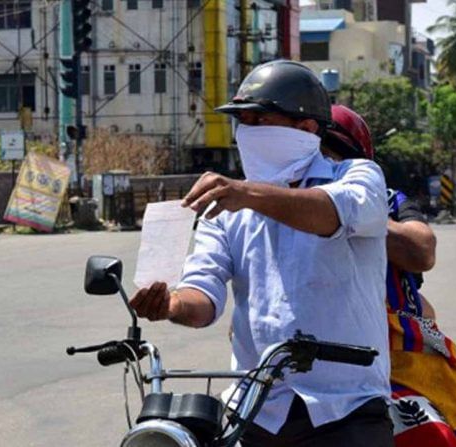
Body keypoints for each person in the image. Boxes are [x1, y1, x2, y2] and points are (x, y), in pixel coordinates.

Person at [129, 60, 394, 447]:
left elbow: (330, 214)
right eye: (243, 122)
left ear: (306, 129)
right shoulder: (226, 212)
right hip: (256, 408)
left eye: (260, 121)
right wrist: (170, 304)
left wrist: (246, 194)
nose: (247, 133)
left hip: (346, 407)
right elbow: (203, 296)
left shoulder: (356, 176)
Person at [323, 104, 456, 447]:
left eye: (330, 154)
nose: (323, 166)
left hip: (391, 361)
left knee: (442, 436)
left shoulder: (389, 202)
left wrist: (350, 214)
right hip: (304, 362)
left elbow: (422, 251)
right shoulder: (273, 206)